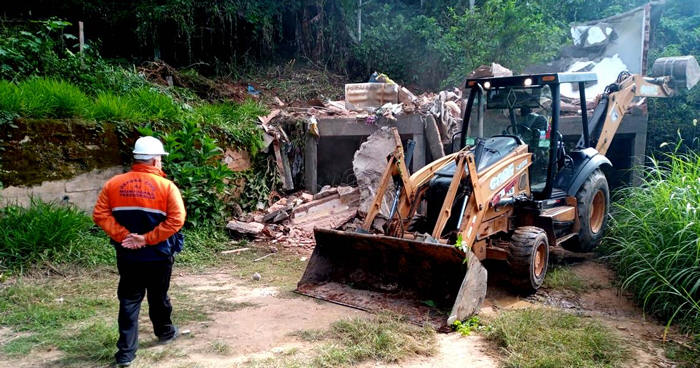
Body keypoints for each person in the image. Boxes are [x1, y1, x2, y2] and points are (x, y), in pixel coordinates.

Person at [93, 136, 186, 367]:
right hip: (159, 256)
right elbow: (177, 220)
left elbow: (100, 215)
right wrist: (146, 239)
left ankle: (125, 354)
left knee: (129, 301)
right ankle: (164, 332)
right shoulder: (166, 187)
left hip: (128, 255)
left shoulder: (113, 184)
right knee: (158, 297)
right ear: (155, 161)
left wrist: (126, 237)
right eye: (161, 160)